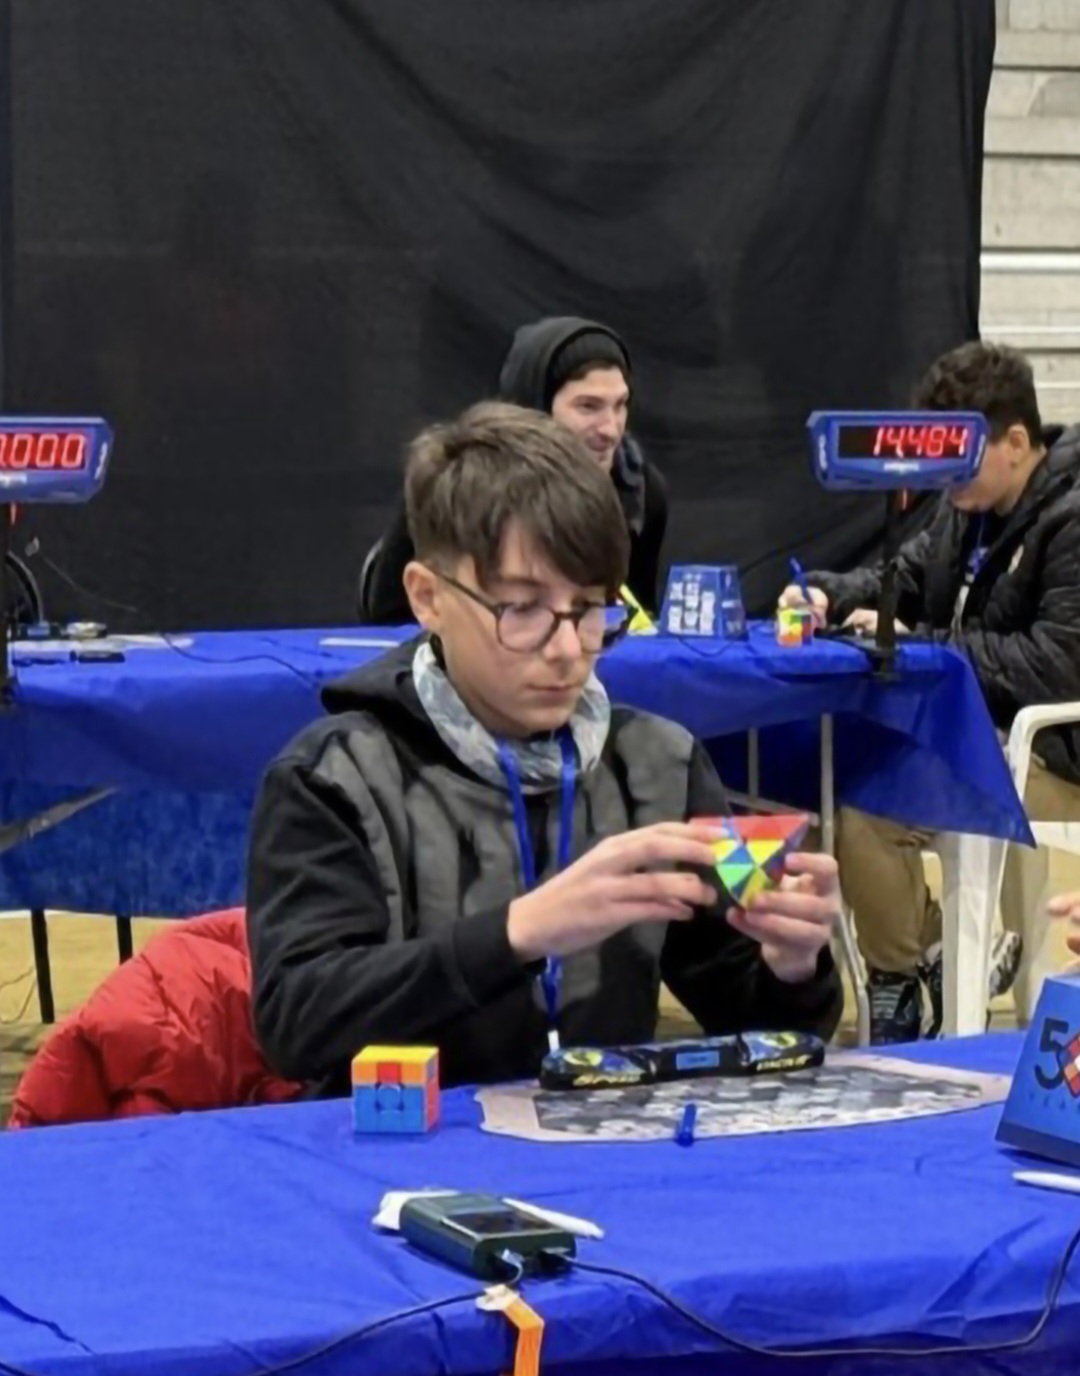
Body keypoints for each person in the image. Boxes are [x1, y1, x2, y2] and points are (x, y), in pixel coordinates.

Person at [251, 402, 842, 1092]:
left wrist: (792, 965)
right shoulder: (334, 778)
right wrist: (519, 932)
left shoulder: (658, 765)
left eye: (589, 609)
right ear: (427, 596)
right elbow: (298, 1021)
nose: (566, 650)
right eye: (523, 609)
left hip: (608, 1139)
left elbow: (757, 1026)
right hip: (406, 1147)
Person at [778, 342, 1080, 1042]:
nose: (944, 473)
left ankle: (910, 977)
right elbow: (904, 578)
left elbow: (1058, 665)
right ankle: (925, 964)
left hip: (1052, 755)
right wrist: (827, 595)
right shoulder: (965, 508)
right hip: (969, 736)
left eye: (958, 454)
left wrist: (923, 645)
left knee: (870, 802)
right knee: (834, 784)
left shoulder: (1070, 520)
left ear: (1014, 442)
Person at [358, 317, 669, 623]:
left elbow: (637, 625)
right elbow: (387, 617)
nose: (611, 429)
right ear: (535, 407)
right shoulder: (455, 481)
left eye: (620, 405)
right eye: (588, 406)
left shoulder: (638, 493)